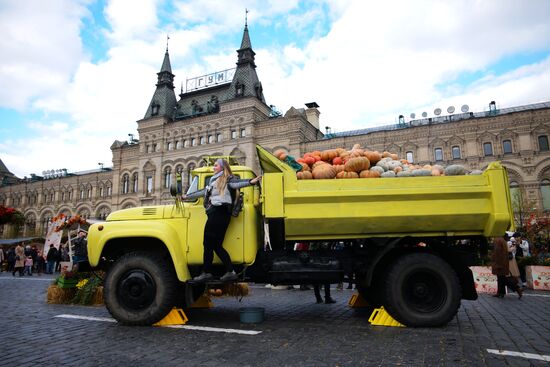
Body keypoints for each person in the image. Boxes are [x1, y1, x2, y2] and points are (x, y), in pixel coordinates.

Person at [182, 158, 261, 282]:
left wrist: (251, 182)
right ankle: (230, 271)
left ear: (223, 168)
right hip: (220, 214)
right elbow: (203, 192)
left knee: (207, 244)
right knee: (216, 245)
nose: (214, 168)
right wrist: (187, 197)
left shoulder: (227, 179)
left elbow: (238, 183)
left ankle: (207, 272)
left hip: (218, 213)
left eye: (216, 165)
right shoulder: (213, 182)